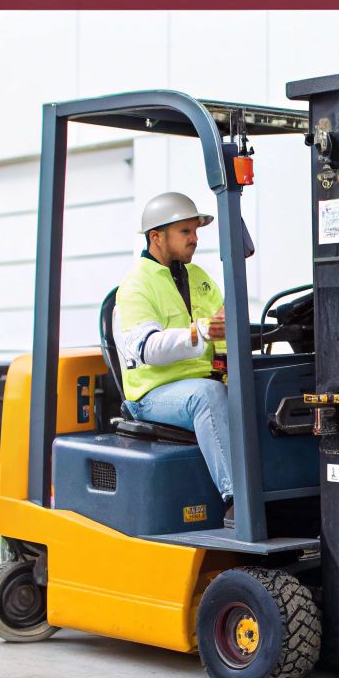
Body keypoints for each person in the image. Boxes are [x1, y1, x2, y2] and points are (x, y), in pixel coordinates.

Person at [114, 192, 237, 525]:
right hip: (154, 392)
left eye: (195, 231)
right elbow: (147, 349)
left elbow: (224, 326)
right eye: (185, 231)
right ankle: (237, 498)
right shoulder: (136, 285)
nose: (195, 238)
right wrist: (201, 333)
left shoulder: (198, 278)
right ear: (156, 236)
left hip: (202, 379)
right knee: (207, 397)